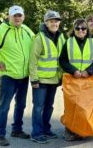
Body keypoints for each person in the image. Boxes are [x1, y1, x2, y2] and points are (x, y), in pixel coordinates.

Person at [0, 5, 35, 146]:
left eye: (19, 15)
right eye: (14, 15)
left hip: (23, 76)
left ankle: (16, 129)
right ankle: (0, 134)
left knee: (21, 105)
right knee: (4, 106)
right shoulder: (1, 31)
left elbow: (37, 45)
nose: (17, 18)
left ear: (23, 17)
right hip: (8, 76)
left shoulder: (27, 30)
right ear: (9, 17)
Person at [59, 18, 93, 141]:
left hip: (88, 78)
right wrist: (73, 70)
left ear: (87, 30)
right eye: (77, 28)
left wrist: (89, 71)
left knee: (85, 105)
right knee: (71, 106)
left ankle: (81, 130)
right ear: (74, 29)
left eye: (83, 28)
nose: (80, 30)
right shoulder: (68, 42)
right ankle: (70, 130)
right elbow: (62, 60)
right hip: (72, 79)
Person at [29, 10, 66, 144]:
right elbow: (33, 59)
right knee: (38, 107)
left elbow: (62, 58)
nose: (54, 23)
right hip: (41, 80)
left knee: (49, 106)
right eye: (51, 21)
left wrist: (62, 76)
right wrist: (34, 79)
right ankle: (36, 133)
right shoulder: (40, 38)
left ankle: (45, 129)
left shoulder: (61, 37)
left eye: (56, 21)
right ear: (46, 22)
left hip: (54, 79)